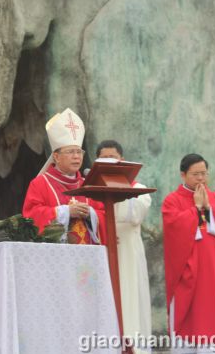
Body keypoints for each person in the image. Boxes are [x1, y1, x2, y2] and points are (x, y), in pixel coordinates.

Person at [162, 154, 215, 352]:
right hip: (189, 272)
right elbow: (173, 227)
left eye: (204, 174)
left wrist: (209, 209)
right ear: (183, 175)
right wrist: (195, 209)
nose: (201, 179)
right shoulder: (172, 201)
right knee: (191, 317)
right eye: (195, 174)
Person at [90, 140, 152, 348]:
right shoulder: (90, 189)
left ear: (122, 160)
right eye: (103, 158)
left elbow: (134, 215)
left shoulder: (138, 189)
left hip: (128, 252)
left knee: (130, 301)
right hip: (100, 250)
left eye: (113, 158)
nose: (108, 162)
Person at [22, 108, 105, 244]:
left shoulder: (88, 185)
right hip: (54, 256)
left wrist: (91, 213)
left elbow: (104, 215)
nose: (76, 156)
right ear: (56, 156)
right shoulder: (40, 183)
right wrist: (66, 212)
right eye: (71, 152)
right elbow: (31, 217)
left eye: (79, 152)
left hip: (87, 256)